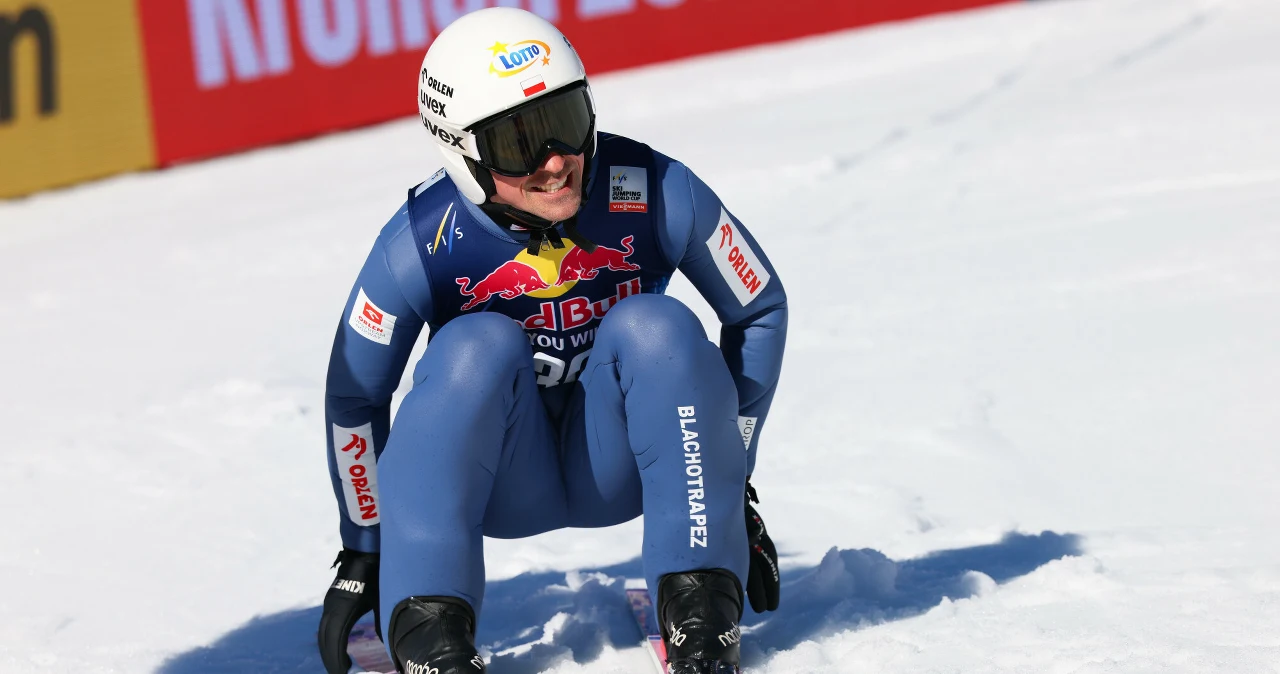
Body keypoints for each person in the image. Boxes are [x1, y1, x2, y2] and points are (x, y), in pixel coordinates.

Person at [316, 7, 786, 673]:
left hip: (627, 462)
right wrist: (365, 542)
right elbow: (354, 395)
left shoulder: (651, 186)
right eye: (518, 144)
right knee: (473, 347)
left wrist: (729, 468)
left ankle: (701, 603)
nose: (557, 162)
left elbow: (759, 306)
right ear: (463, 152)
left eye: (565, 123)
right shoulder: (419, 239)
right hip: (498, 481)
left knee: (656, 328)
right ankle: (428, 624)